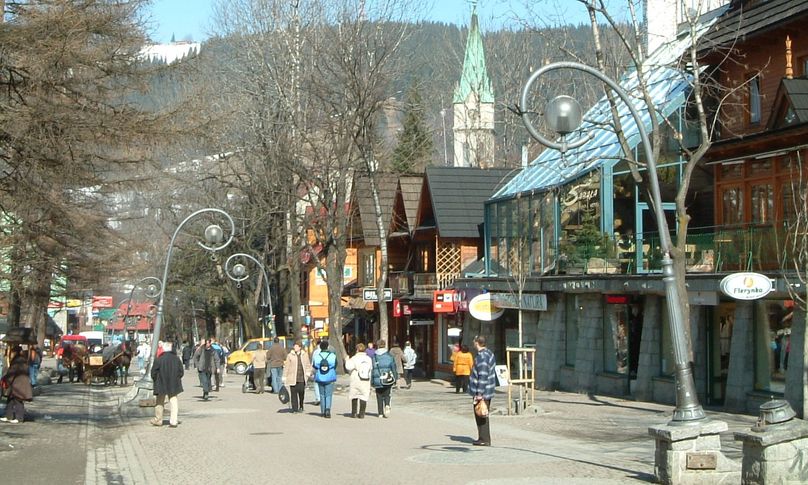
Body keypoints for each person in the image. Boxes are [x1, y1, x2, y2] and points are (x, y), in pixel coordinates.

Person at [469, 335, 496, 446]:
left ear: (476, 343)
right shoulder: (489, 353)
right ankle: (483, 438)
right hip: (488, 390)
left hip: (483, 392)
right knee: (482, 413)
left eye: (474, 342)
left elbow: (483, 375)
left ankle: (484, 439)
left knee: (481, 414)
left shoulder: (482, 357)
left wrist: (479, 393)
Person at [150, 342, 183, 427]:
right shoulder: (176, 359)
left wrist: (156, 380)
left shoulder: (159, 359)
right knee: (173, 401)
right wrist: (177, 378)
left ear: (164, 349)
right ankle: (173, 421)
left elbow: (153, 372)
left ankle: (158, 420)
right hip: (173, 383)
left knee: (160, 402)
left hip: (161, 382)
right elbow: (181, 372)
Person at [1, 356, 33, 423]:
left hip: (18, 384)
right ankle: (8, 416)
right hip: (19, 383)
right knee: (10, 400)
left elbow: (11, 374)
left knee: (18, 400)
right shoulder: (23, 361)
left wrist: (7, 381)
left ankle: (19, 418)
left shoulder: (16, 362)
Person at [282, 340, 312, 413]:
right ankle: (295, 408)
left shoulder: (305, 355)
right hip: (292, 377)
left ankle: (301, 405)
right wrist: (284, 376)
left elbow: (308, 365)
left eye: (296, 346)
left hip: (301, 377)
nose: (294, 347)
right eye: (294, 346)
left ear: (300, 347)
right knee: (293, 393)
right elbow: (286, 366)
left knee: (301, 392)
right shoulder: (290, 355)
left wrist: (308, 373)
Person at [370, 339, 397, 418]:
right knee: (387, 394)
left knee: (379, 396)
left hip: (377, 378)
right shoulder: (389, 356)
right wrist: (395, 378)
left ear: (378, 346)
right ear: (384, 345)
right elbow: (393, 368)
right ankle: (387, 405)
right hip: (387, 378)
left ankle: (380, 413)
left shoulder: (374, 357)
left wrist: (372, 380)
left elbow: (372, 369)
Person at [345, 343, 372, 418]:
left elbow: (348, 367)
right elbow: (371, 368)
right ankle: (362, 413)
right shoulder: (368, 359)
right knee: (364, 396)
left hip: (356, 379)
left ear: (357, 350)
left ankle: (354, 413)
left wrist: (347, 360)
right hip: (366, 379)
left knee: (354, 395)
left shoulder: (354, 358)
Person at [313, 340, 337, 418]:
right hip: (330, 377)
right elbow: (335, 365)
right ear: (327, 347)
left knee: (322, 394)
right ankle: (328, 410)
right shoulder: (332, 356)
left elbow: (315, 366)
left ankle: (323, 411)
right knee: (328, 394)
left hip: (320, 377)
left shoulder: (317, 356)